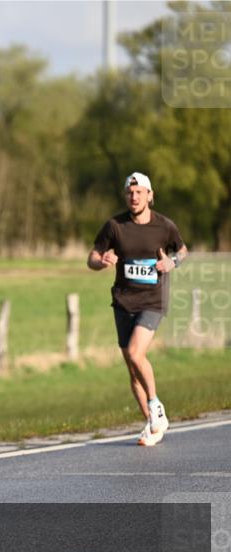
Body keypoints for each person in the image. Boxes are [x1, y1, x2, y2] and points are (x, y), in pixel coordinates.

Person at [87, 172, 188, 447]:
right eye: (130, 193)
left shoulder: (164, 226)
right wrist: (102, 260)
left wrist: (172, 264)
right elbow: (92, 258)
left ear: (149, 195)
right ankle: (153, 423)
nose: (134, 197)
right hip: (123, 302)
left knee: (135, 352)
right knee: (133, 368)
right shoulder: (114, 226)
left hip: (153, 301)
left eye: (140, 192)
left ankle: (156, 406)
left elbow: (182, 251)